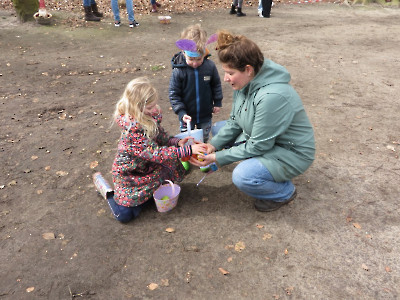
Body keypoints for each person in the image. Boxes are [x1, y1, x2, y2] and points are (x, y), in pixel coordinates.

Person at [190, 30, 315, 212]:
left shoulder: (272, 97)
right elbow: (234, 122)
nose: (225, 78)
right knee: (219, 130)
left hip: (292, 151)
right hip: (267, 141)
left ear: (248, 69)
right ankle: (262, 167)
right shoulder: (245, 82)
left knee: (243, 176)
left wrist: (218, 158)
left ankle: (284, 192)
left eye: (230, 73)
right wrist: (214, 146)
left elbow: (259, 145)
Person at [109, 77, 207, 223]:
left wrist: (177, 142)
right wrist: (188, 150)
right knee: (125, 215)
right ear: (136, 108)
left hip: (148, 168)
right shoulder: (132, 133)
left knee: (169, 174)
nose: (154, 110)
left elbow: (161, 137)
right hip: (131, 177)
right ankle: (110, 195)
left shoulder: (148, 117)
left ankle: (146, 195)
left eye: (154, 105)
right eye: (150, 107)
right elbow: (157, 154)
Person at [169, 24, 223, 143]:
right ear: (183, 53)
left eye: (199, 59)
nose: (195, 63)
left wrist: (217, 101)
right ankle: (187, 155)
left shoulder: (210, 67)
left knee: (203, 137)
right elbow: (174, 94)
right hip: (186, 116)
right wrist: (181, 112)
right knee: (187, 139)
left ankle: (202, 155)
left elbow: (216, 85)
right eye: (191, 59)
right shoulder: (179, 71)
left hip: (205, 114)